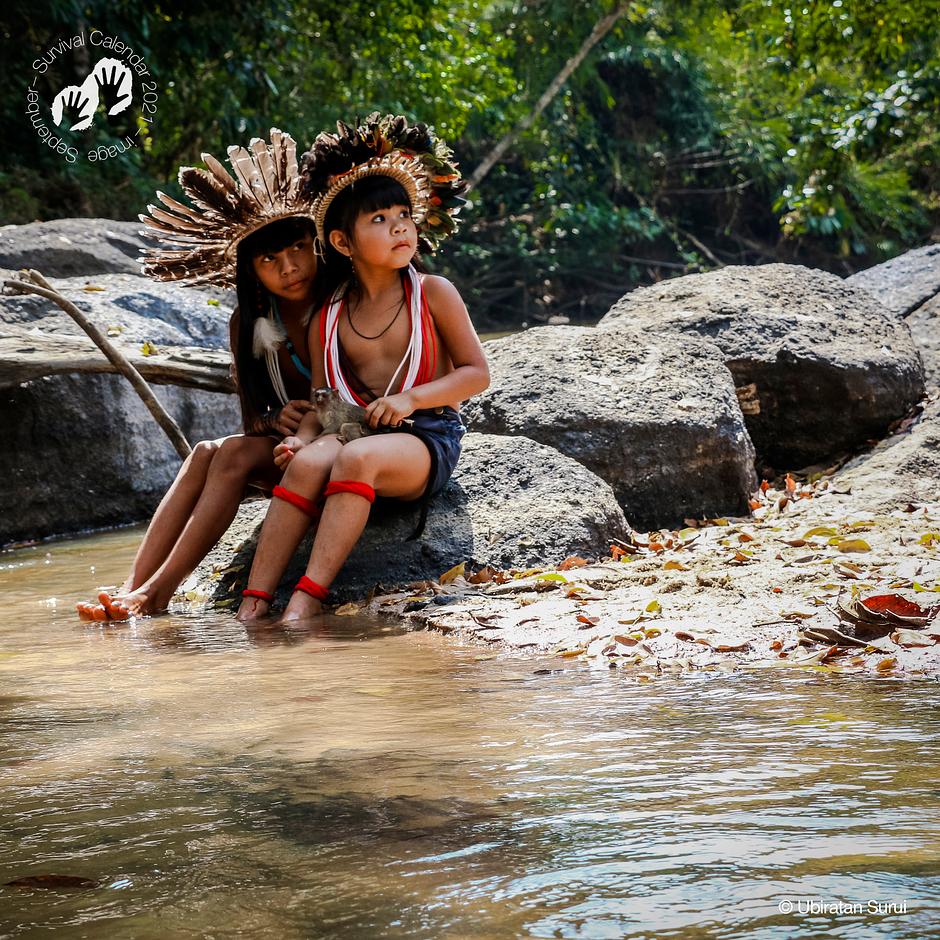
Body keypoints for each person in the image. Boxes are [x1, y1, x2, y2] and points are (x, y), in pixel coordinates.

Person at [235, 113, 489, 623]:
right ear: (342, 243)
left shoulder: (432, 294)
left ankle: (304, 602)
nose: (399, 226)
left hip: (424, 436)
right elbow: (324, 401)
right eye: (378, 219)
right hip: (350, 428)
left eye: (403, 214)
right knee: (307, 464)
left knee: (355, 461)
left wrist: (411, 398)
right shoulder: (328, 314)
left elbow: (476, 373)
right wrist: (301, 440)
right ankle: (252, 605)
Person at [77, 130, 319, 621]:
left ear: (320, 245)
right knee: (210, 450)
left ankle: (155, 594)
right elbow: (255, 420)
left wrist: (314, 415)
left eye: (298, 248)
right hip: (288, 449)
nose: (289, 267)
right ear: (251, 271)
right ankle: (133, 585)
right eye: (269, 259)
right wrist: (278, 419)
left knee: (225, 451)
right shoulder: (249, 322)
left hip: (337, 446)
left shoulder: (341, 303)